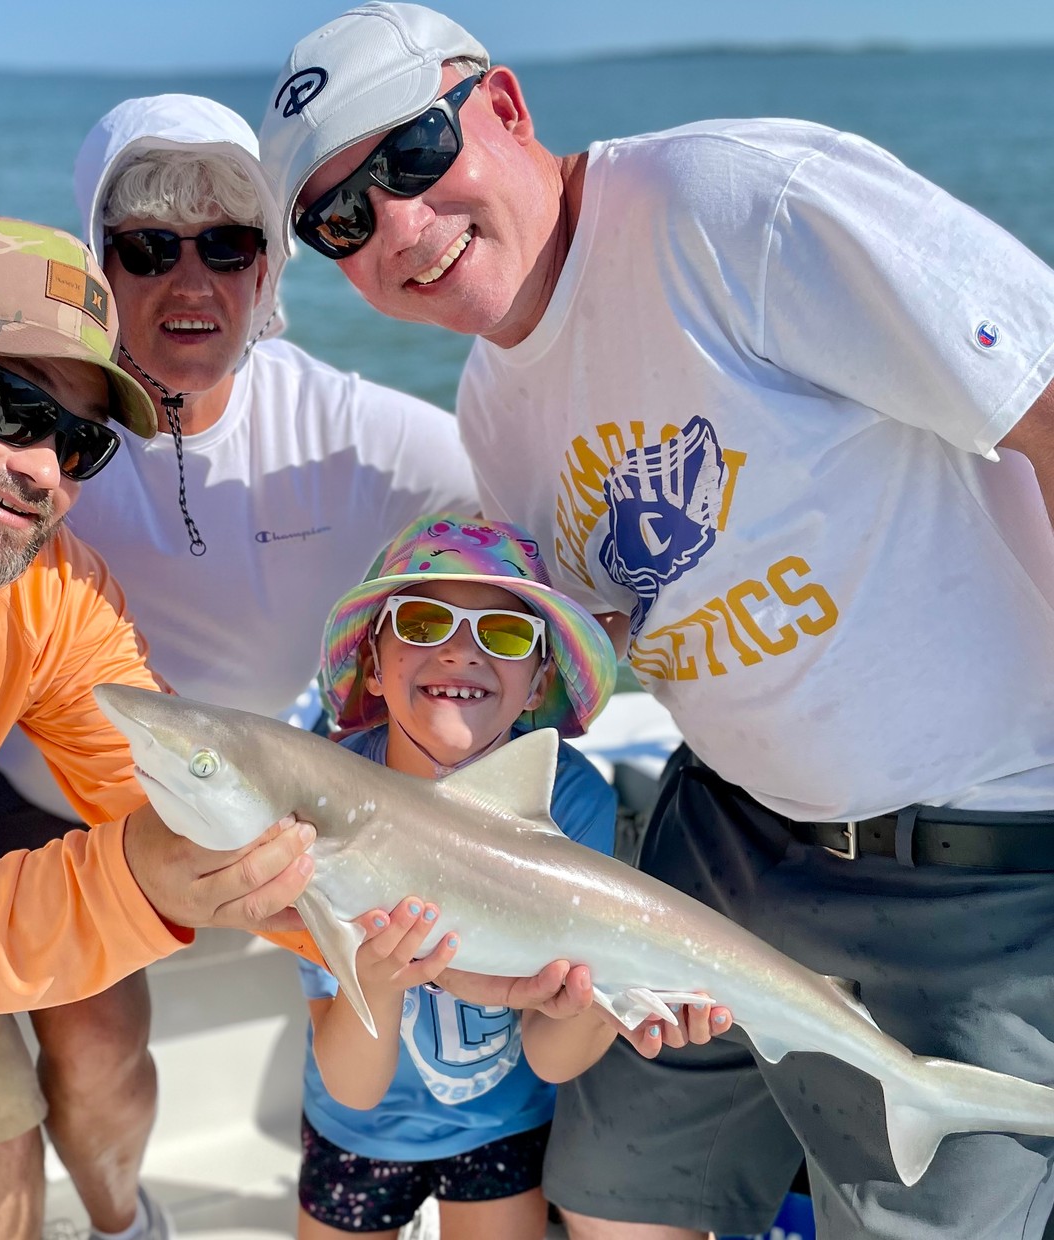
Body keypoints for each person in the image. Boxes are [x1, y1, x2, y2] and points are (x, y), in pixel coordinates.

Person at [258, 6, 1054, 1240]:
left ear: (505, 108)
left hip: (983, 867)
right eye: (341, 219)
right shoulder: (492, 415)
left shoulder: (729, 208)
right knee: (608, 1200)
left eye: (411, 154)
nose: (400, 224)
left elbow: (1042, 402)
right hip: (719, 847)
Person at [0, 95, 481, 1240]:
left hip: (262, 790)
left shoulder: (359, 436)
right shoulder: (42, 424)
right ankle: (124, 1221)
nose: (191, 282)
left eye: (227, 245)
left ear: (270, 264)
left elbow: (529, 552)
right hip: (47, 800)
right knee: (91, 1052)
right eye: (146, 248)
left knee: (416, 983)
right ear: (98, 261)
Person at [0, 216, 315, 1238]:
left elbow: (180, 804)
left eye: (77, 440)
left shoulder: (51, 593)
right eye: (6, 403)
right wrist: (128, 882)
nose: (40, 467)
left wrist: (440, 937)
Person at [301, 512, 728, 1239]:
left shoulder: (573, 801)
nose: (460, 652)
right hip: (356, 1128)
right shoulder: (325, 791)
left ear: (537, 684)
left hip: (507, 1123)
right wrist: (373, 979)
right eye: (425, 621)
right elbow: (355, 1085)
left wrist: (606, 999)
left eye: (502, 635)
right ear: (374, 661)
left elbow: (549, 1054)